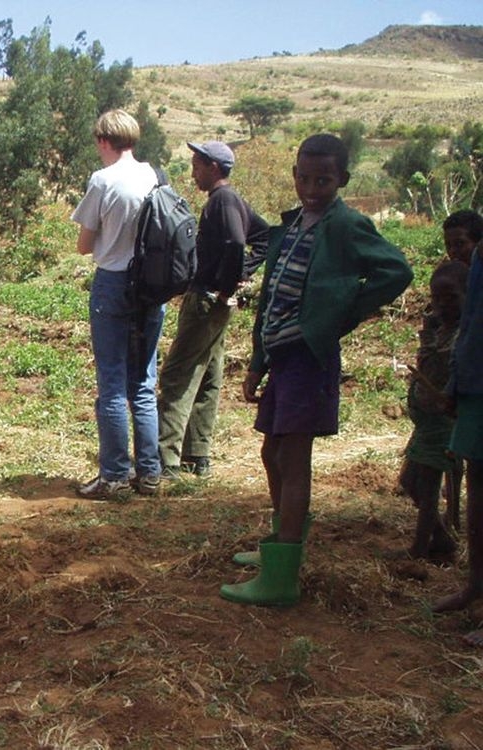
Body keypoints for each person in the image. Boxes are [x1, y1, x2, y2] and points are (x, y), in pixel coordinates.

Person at [222, 133, 413, 606]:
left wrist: (339, 312)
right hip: (282, 357)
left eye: (323, 179)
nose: (312, 187)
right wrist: (257, 363)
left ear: (342, 180)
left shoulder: (346, 226)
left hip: (308, 358)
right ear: (295, 176)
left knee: (294, 458)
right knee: (272, 454)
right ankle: (284, 539)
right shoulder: (293, 225)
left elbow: (396, 270)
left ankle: (282, 575)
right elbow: (270, 300)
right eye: (305, 178)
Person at [157, 141, 269, 478]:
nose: (193, 172)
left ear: (214, 167)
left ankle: (167, 461)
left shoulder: (222, 200)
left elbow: (238, 242)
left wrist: (226, 285)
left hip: (206, 302)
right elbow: (264, 237)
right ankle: (198, 455)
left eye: (196, 165)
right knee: (208, 376)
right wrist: (242, 273)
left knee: (177, 376)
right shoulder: (231, 200)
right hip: (215, 302)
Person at [71, 109, 165, 500]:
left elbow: (84, 244)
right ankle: (150, 473)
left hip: (112, 282)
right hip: (151, 285)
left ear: (104, 141)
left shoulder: (103, 180)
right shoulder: (153, 175)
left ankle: (113, 476)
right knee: (142, 381)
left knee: (111, 382)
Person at [433, 220, 483, 646]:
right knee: (478, 498)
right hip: (474, 386)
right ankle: (475, 588)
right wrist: (454, 384)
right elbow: (471, 324)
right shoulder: (479, 258)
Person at [397, 261, 468, 559]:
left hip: (442, 421)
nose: (441, 304)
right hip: (426, 421)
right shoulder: (440, 329)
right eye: (436, 298)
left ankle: (418, 552)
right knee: (409, 482)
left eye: (450, 297)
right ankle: (441, 540)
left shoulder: (463, 335)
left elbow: (442, 367)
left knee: (426, 489)